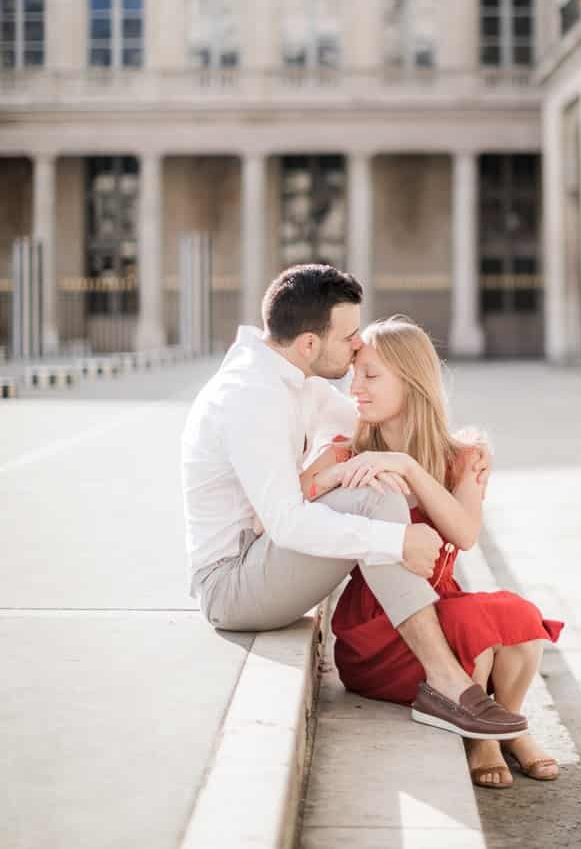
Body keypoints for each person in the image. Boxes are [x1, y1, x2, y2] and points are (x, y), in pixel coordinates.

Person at [182, 264, 529, 744]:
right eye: (348, 338)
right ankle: (446, 682)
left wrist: (467, 446)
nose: (354, 349)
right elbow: (284, 524)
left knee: (378, 484)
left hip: (266, 567)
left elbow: (390, 415)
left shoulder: (296, 382)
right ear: (309, 344)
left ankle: (446, 683)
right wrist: (397, 538)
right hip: (234, 586)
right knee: (376, 499)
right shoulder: (248, 396)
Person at [303, 314, 565, 790]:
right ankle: (488, 740)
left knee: (518, 620)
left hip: (444, 610)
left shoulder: (461, 458)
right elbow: (290, 500)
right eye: (354, 374)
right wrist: (339, 475)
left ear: (412, 380)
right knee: (477, 626)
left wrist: (406, 466)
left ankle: (506, 723)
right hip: (377, 630)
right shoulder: (346, 452)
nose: (355, 388)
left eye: (371, 375)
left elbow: (463, 534)